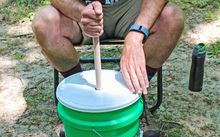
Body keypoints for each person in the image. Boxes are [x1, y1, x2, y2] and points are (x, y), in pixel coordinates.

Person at [32, 0, 184, 95]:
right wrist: (82, 13)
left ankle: (133, 93)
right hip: (81, 6)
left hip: (132, 7)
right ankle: (79, 94)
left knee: (171, 19)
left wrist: (137, 33)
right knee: (44, 23)